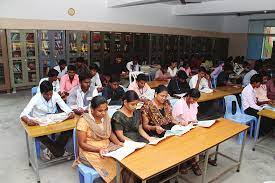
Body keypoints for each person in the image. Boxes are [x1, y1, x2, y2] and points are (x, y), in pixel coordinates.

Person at [76, 96, 128, 183]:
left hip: (107, 146)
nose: (103, 113)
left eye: (105, 109)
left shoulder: (106, 117)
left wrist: (118, 143)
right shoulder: (84, 121)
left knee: (125, 159)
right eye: (100, 111)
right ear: (92, 109)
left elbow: (109, 133)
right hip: (90, 151)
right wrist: (99, 149)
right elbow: (82, 144)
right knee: (111, 164)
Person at [20, 80, 74, 159]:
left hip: (52, 119)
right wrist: (28, 121)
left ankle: (51, 150)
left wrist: (70, 113)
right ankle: (59, 152)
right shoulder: (36, 98)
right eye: (46, 94)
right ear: (41, 93)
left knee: (69, 129)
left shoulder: (55, 95)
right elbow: (23, 114)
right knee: (40, 135)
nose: (49, 96)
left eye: (50, 94)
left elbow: (65, 108)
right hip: (40, 122)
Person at [172, 89, 203, 176]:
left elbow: (194, 116)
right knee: (187, 141)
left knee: (199, 136)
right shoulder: (180, 103)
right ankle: (190, 162)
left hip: (190, 126)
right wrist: (184, 123)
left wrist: (195, 122)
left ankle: (190, 160)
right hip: (180, 128)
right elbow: (173, 119)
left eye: (196, 100)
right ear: (188, 96)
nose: (194, 102)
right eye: (193, 99)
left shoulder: (194, 103)